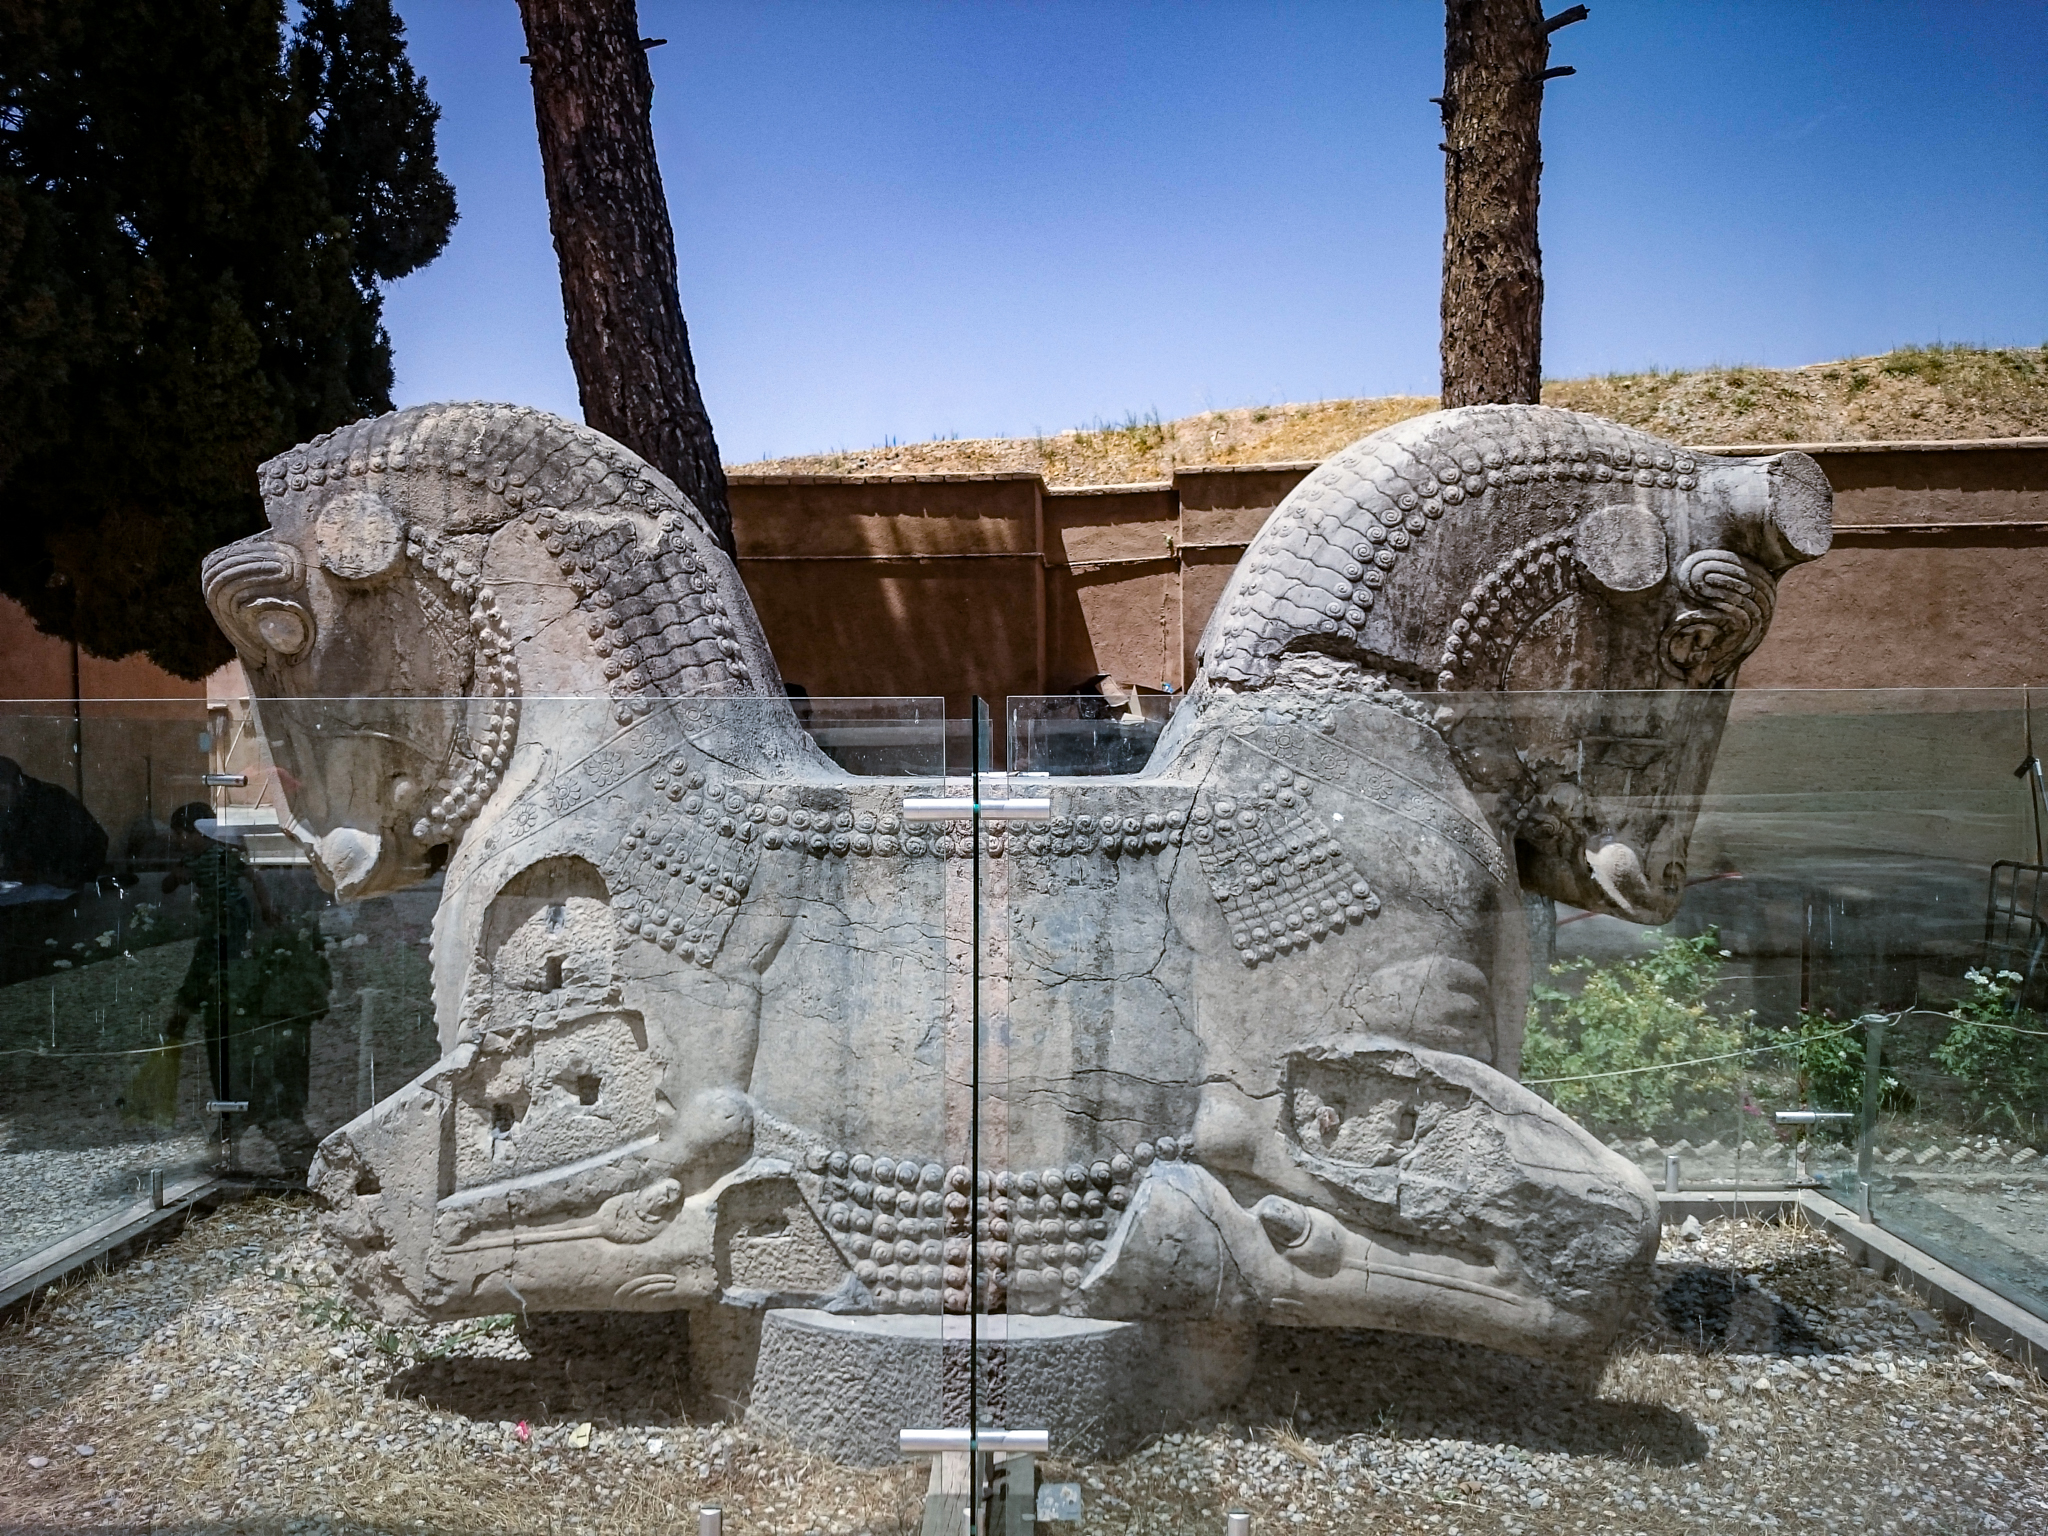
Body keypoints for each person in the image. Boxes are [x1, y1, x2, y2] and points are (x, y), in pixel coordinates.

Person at [125, 803, 327, 1178]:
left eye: (182, 836)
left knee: (245, 1074)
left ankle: (253, 1129)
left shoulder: (225, 906)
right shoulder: (232, 874)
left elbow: (208, 954)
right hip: (253, 998)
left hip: (240, 1004)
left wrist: (183, 1008)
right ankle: (257, 1130)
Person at [0, 756, 108, 889]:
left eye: (1, 793)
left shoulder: (52, 801)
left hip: (63, 886)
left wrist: (61, 878)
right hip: (29, 887)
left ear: (19, 784)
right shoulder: (11, 804)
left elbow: (96, 842)